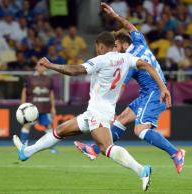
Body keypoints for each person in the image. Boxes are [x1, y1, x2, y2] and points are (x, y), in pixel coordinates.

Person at [13, 31, 172, 191]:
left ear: (101, 46)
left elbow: (73, 70)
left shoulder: (100, 60)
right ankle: (26, 152)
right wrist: (163, 88)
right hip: (96, 112)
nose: (96, 49)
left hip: (98, 113)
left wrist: (50, 65)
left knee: (106, 148)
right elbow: (148, 65)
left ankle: (141, 170)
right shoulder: (126, 58)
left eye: (97, 46)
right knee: (60, 130)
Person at [74, 3, 185, 174]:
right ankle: (95, 150)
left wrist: (108, 110)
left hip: (154, 93)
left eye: (116, 46)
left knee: (140, 130)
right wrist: (114, 15)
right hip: (148, 93)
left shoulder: (127, 60)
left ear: (123, 45)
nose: (114, 50)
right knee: (121, 120)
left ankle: (175, 153)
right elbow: (130, 26)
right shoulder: (140, 42)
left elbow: (121, 87)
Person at [19, 63, 57, 153]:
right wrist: (22, 105)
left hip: (45, 106)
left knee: (48, 127)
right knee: (27, 125)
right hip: (32, 107)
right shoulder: (30, 78)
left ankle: (52, 147)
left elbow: (51, 93)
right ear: (36, 67)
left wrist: (53, 107)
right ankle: (23, 146)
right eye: (40, 66)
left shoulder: (49, 79)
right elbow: (24, 91)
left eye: (44, 66)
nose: (42, 68)